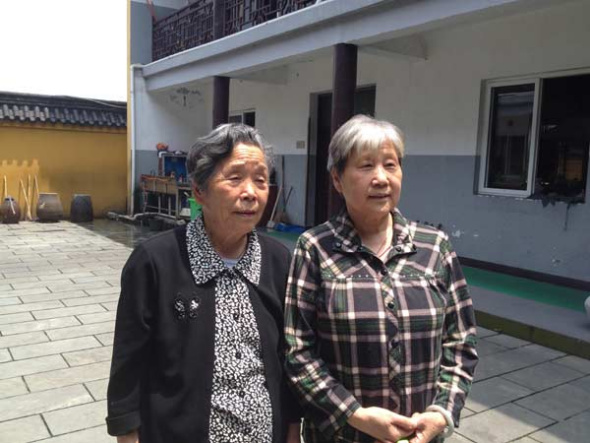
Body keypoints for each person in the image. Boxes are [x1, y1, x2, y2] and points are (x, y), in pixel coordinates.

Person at [284, 115, 478, 443]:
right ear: (337, 178)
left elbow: (461, 340)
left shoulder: (434, 246)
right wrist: (355, 415)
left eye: (390, 165)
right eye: (366, 166)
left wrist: (441, 413)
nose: (381, 178)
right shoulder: (315, 248)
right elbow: (297, 350)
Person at [106, 124, 301, 443]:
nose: (251, 192)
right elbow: (128, 367)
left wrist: (292, 430)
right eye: (235, 178)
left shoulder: (278, 261)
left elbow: (287, 359)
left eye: (261, 180)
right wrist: (127, 436)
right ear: (199, 191)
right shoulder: (155, 262)